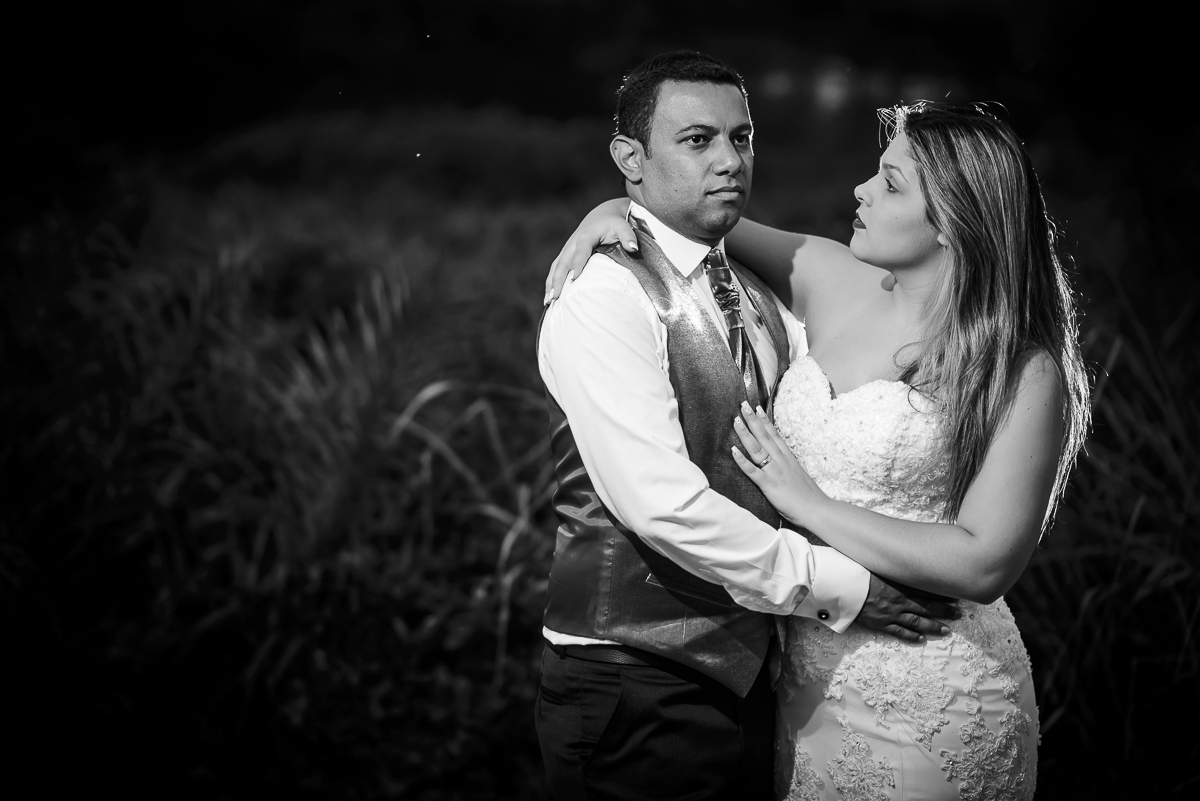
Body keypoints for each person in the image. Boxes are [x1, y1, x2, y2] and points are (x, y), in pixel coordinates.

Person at [546, 100, 1090, 799]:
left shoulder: (1019, 364)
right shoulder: (832, 276)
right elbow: (689, 216)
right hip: (803, 679)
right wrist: (610, 208)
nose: (861, 190)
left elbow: (985, 561)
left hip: (932, 683)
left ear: (956, 219)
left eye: (891, 184)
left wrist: (806, 502)